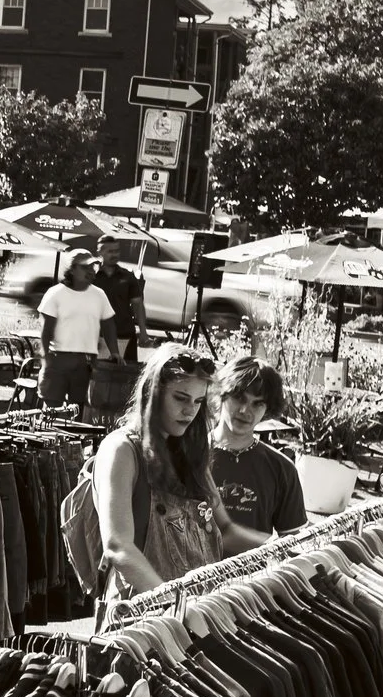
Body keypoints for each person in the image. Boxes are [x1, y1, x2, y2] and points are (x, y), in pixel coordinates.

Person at [92, 342, 263, 596]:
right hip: (138, 620)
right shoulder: (122, 450)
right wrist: (174, 603)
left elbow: (225, 529)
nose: (189, 411)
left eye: (198, 401)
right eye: (180, 398)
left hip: (194, 614)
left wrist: (279, 545)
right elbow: (118, 546)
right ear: (153, 392)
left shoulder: (190, 452)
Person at [207, 356, 308, 540]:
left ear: (268, 409)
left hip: (256, 570)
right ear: (222, 393)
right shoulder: (189, 456)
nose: (245, 410)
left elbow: (292, 545)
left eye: (257, 403)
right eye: (239, 397)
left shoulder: (282, 469)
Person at [37, 252, 115, 409]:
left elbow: (109, 324)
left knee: (78, 409)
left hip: (85, 363)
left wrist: (115, 352)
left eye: (93, 266)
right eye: (85, 267)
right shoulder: (55, 293)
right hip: (58, 358)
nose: (91, 271)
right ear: (72, 270)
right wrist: (46, 360)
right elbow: (46, 331)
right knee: (51, 410)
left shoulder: (99, 295)